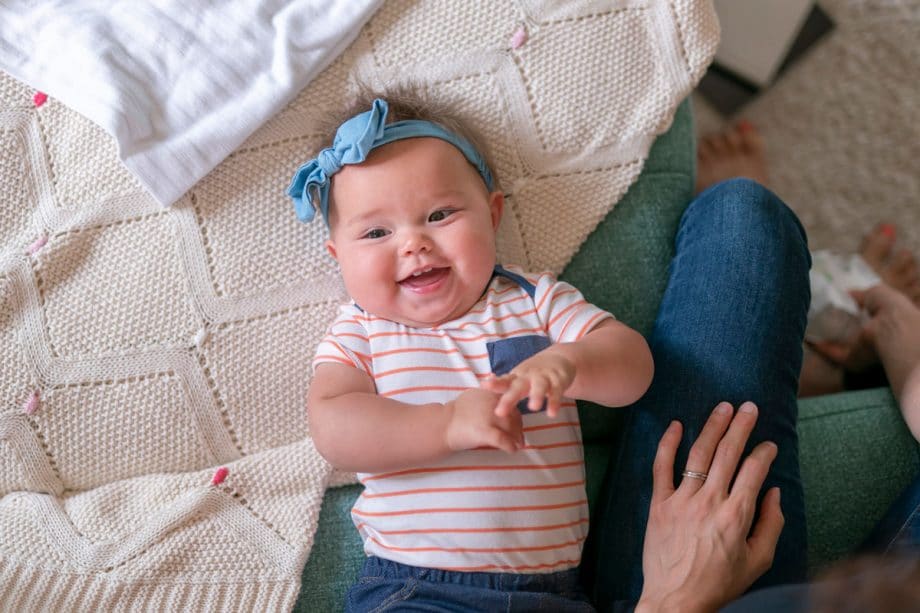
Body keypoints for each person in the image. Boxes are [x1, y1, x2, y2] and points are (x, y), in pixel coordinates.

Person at [291, 90, 812, 611]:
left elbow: (635, 367)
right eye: (377, 232)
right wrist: (446, 424)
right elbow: (334, 427)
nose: (413, 244)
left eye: (440, 214)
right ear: (338, 256)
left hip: (556, 595)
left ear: (492, 214)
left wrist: (571, 363)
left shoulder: (533, 298)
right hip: (419, 588)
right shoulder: (362, 331)